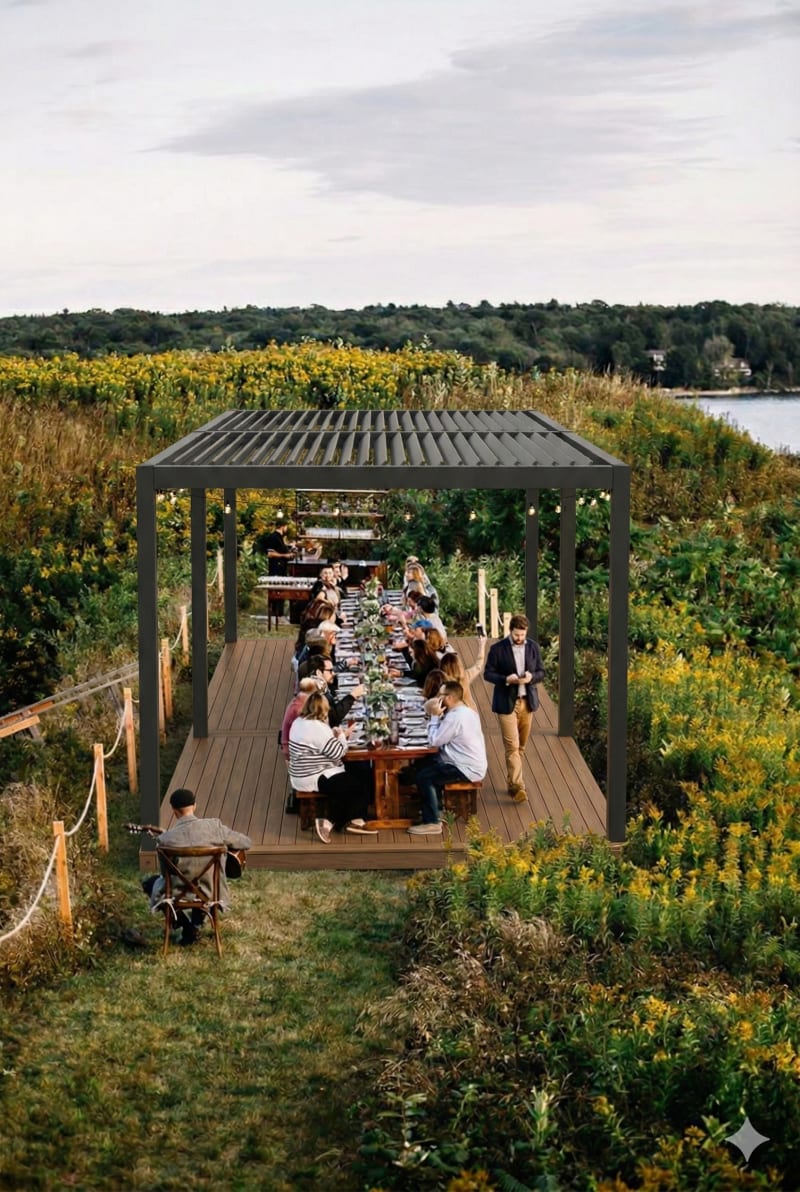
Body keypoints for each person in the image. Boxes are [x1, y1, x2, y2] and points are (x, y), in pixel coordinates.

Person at [143, 788, 252, 945]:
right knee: (199, 881)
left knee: (151, 883)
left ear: (174, 811)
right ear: (194, 806)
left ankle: (186, 926)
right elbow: (246, 843)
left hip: (178, 894)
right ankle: (195, 925)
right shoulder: (215, 827)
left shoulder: (165, 840)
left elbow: (164, 874)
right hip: (212, 891)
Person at [288, 691, 376, 842]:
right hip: (315, 775)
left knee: (357, 772)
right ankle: (347, 820)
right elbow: (338, 753)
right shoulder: (318, 728)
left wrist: (334, 735)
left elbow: (320, 745)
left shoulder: (299, 722)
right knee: (360, 782)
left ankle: (346, 820)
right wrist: (341, 735)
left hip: (300, 774)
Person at [409, 680, 487, 836]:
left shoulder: (455, 718)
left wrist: (434, 717)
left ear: (450, 698)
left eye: (441, 695)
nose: (439, 697)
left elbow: (434, 741)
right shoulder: (467, 711)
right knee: (423, 765)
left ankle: (432, 822)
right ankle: (436, 810)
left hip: (464, 767)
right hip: (465, 762)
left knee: (425, 777)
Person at [483, 613, 545, 804]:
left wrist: (531, 678)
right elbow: (488, 674)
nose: (520, 638)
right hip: (506, 703)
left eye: (522, 634)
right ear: (510, 631)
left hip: (527, 701)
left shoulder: (533, 647)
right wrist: (505, 679)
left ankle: (512, 783)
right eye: (517, 634)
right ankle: (519, 786)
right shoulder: (497, 649)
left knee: (521, 747)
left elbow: (541, 672)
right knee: (512, 746)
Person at [439, 637, 487, 710]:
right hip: (472, 714)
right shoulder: (465, 676)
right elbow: (478, 665)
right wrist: (482, 645)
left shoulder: (443, 684)